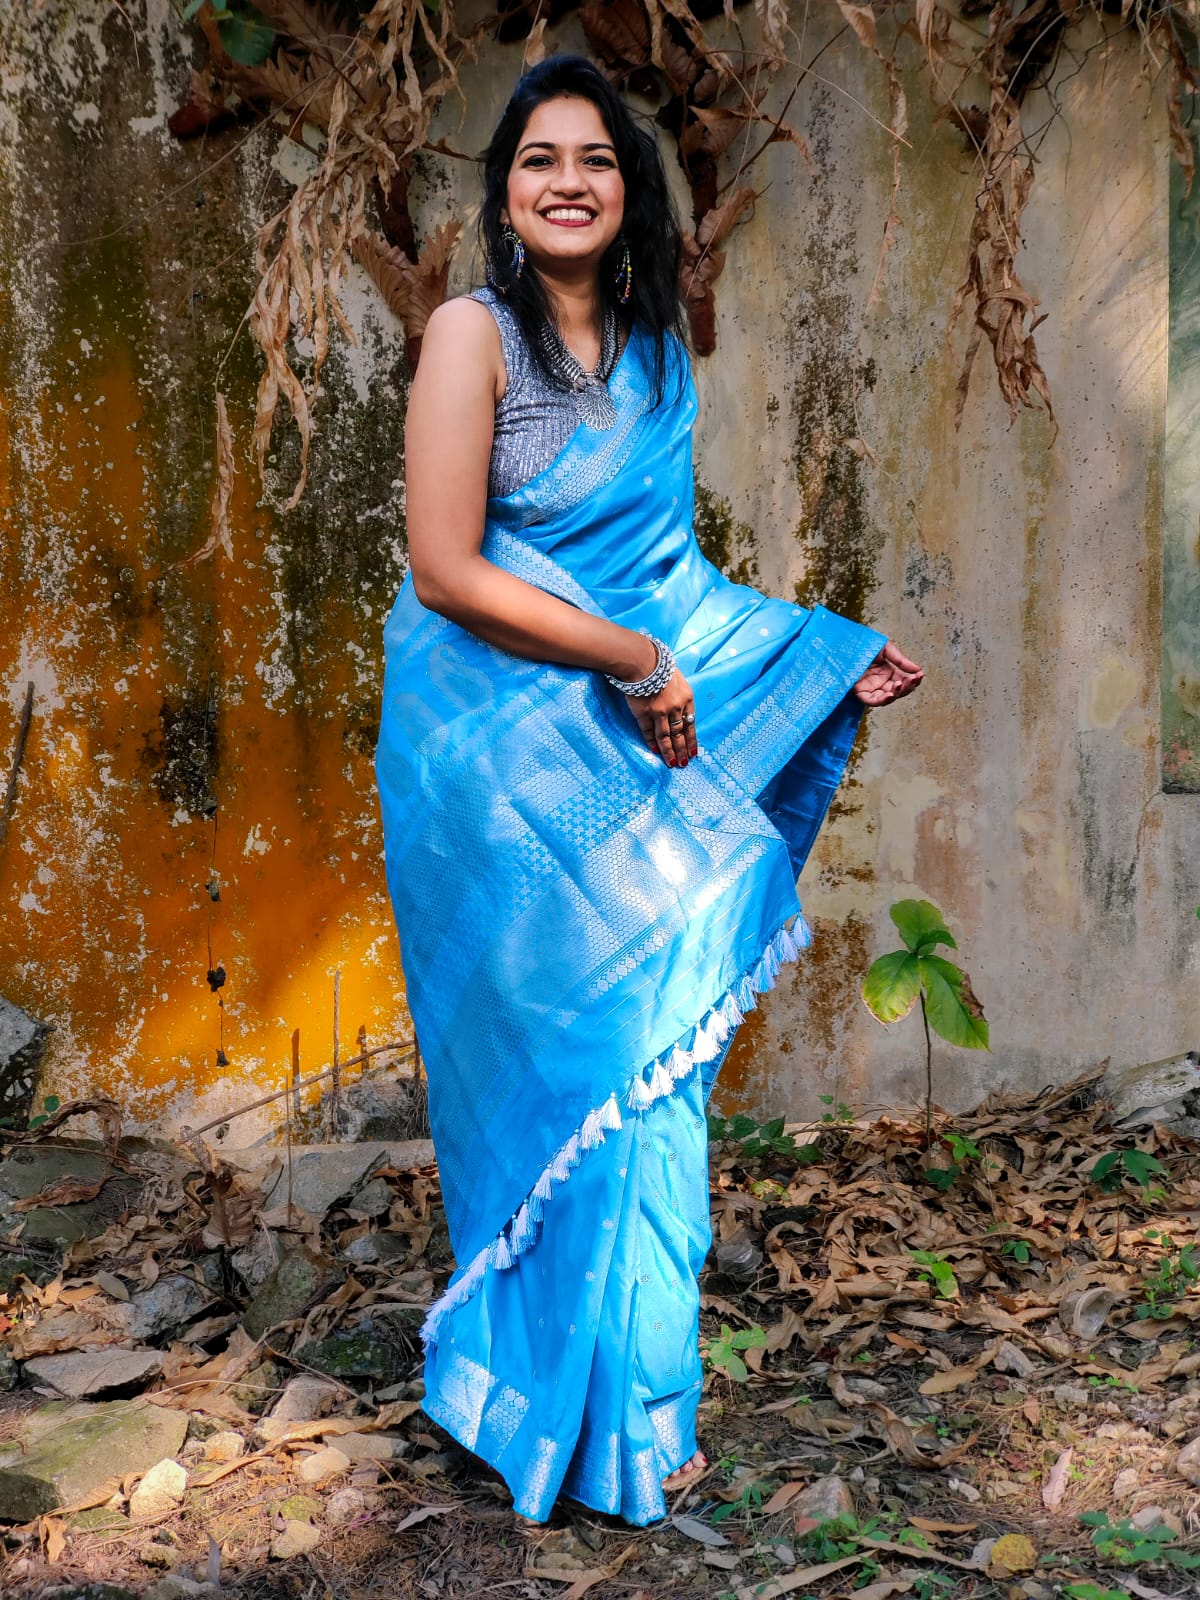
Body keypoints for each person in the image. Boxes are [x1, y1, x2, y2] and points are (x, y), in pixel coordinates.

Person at [374, 54, 922, 1528]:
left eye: (596, 160)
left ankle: (635, 1404)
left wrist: (810, 656)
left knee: (652, 1053)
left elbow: (671, 584)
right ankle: (524, 1383)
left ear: (632, 192)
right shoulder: (469, 338)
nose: (568, 180)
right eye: (538, 158)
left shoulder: (659, 349)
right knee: (580, 1063)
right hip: (492, 764)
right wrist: (631, 658)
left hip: (615, 725)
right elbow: (446, 567)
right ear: (504, 191)